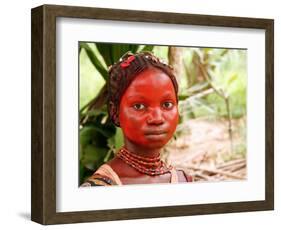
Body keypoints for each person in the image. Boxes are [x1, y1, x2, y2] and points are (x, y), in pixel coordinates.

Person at [81, 51, 193, 187]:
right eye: (139, 106)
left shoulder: (184, 180)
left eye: (167, 104)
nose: (157, 118)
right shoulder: (100, 187)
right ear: (115, 112)